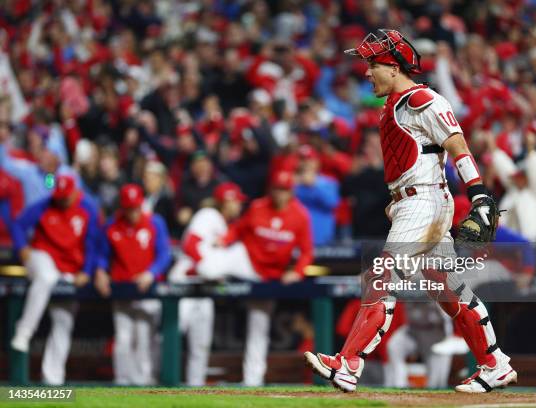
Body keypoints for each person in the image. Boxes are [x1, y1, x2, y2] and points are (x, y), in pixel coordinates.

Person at [304, 29, 517, 393]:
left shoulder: (421, 98)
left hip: (424, 202)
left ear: (392, 65)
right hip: (414, 201)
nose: (367, 72)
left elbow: (457, 144)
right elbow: (418, 157)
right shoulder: (394, 105)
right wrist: (399, 198)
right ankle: (494, 363)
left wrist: (479, 194)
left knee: (380, 276)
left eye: (372, 64)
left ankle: (348, 362)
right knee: (445, 287)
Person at [220, 171, 313, 386]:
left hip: (270, 276)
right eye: (277, 189)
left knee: (258, 325)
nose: (280, 194)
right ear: (272, 189)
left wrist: (297, 272)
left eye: (284, 190)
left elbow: (307, 251)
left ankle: (252, 380)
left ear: (291, 192)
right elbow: (238, 229)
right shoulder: (258, 207)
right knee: (210, 265)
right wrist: (224, 239)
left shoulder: (300, 215)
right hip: (247, 264)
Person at [10, 175, 99, 385]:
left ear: (75, 192)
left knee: (64, 321)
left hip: (69, 268)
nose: (61, 200)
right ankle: (24, 331)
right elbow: (17, 225)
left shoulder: (87, 209)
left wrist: (87, 270)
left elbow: (93, 243)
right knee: (46, 276)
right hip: (42, 257)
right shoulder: (46, 204)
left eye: (65, 196)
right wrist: (22, 246)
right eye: (59, 196)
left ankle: (53, 380)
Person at [167, 181, 248, 386]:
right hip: (185, 284)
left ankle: (195, 390)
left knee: (201, 344)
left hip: (204, 289)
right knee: (170, 338)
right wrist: (207, 268)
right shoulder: (208, 215)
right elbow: (190, 244)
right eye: (236, 201)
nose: (239, 205)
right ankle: (156, 384)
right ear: (226, 202)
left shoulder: (225, 226)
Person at [94, 184, 171, 385]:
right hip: (122, 289)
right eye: (128, 208)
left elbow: (165, 254)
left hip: (148, 290)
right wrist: (101, 271)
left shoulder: (155, 222)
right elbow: (102, 254)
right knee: (123, 339)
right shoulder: (112, 224)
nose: (133, 212)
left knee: (145, 338)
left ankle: (145, 382)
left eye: (135, 207)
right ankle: (123, 383)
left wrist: (151, 273)